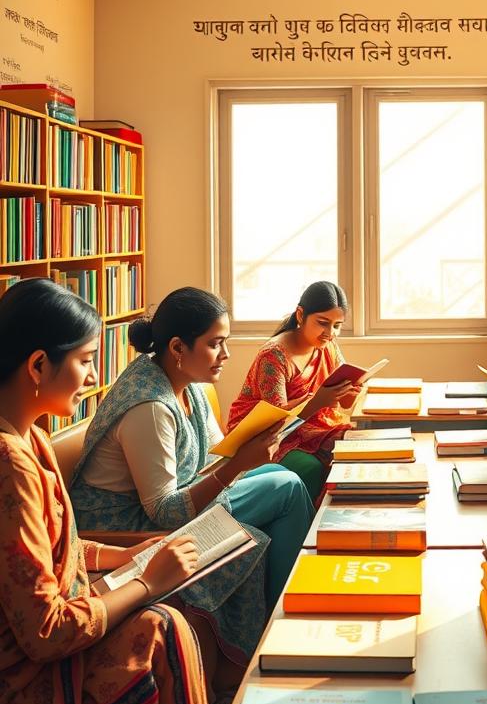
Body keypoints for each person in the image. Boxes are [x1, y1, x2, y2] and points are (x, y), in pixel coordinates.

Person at [0, 279, 211, 704]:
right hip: (20, 686)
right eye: (87, 361)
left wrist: (122, 557)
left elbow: (50, 550)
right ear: (39, 365)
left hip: (46, 640)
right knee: (160, 635)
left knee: (160, 629)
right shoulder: (10, 460)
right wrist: (146, 582)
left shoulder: (30, 436)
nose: (95, 376)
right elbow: (44, 631)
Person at [70, 288, 315, 679]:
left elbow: (214, 455)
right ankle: (288, 616)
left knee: (282, 475)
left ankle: (289, 610)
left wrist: (247, 451)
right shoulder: (149, 407)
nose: (226, 355)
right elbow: (164, 513)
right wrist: (238, 465)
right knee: (284, 487)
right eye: (216, 344)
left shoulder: (189, 386)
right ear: (178, 347)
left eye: (226, 343)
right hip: (130, 526)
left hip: (164, 505)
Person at [227, 281, 360, 499]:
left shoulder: (327, 346)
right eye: (322, 323)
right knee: (313, 466)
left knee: (353, 445)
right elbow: (276, 422)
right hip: (265, 437)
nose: (330, 333)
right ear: (300, 315)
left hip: (311, 425)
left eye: (337, 325)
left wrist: (348, 391)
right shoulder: (274, 356)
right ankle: (309, 528)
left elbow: (343, 405)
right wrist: (318, 401)